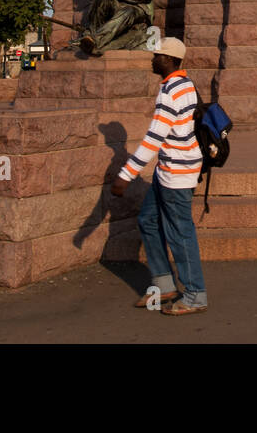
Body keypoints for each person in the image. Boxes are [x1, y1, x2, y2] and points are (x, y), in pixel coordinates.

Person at [110, 37, 208, 316]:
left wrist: (126, 175)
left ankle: (195, 294)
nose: (152, 59)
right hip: (170, 170)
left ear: (168, 60)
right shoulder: (185, 83)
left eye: (156, 55)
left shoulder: (171, 92)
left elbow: (154, 138)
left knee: (180, 233)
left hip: (177, 173)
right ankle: (164, 284)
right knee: (148, 220)